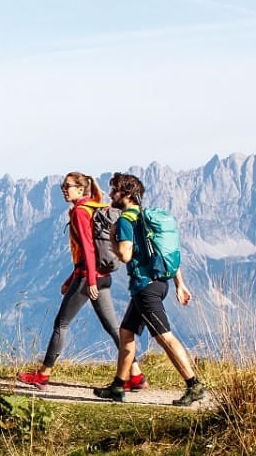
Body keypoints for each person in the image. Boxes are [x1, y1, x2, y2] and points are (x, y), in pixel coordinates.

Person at [18, 171, 143, 388]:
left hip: (89, 278)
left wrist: (90, 280)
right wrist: (71, 278)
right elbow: (89, 249)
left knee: (61, 324)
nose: (64, 190)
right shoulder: (94, 205)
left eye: (69, 186)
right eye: (63, 187)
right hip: (102, 276)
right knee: (114, 328)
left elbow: (88, 248)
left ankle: (43, 375)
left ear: (80, 189)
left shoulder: (79, 212)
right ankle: (136, 374)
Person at [94, 172, 206, 406]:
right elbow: (163, 252)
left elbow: (124, 255)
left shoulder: (125, 221)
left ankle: (194, 384)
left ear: (126, 194)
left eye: (114, 190)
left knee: (164, 337)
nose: (111, 194)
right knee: (126, 333)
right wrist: (179, 284)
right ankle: (117, 386)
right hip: (157, 283)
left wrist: (113, 237)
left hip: (145, 287)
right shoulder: (144, 218)